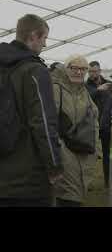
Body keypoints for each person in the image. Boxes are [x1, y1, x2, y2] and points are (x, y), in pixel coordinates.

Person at [0, 14, 63, 207]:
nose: (44, 45)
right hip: (27, 179)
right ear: (34, 36)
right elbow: (43, 122)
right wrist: (54, 166)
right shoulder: (34, 70)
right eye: (44, 38)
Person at [51, 55, 100, 207]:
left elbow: (93, 120)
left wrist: (96, 149)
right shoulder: (56, 89)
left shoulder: (83, 91)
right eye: (74, 68)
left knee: (74, 196)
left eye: (83, 69)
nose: (79, 72)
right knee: (68, 197)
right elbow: (48, 123)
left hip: (82, 153)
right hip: (64, 155)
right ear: (66, 69)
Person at [86, 61, 112, 188]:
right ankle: (87, 182)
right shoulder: (85, 85)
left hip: (107, 125)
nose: (93, 74)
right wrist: (98, 90)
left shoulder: (109, 84)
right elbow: (86, 97)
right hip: (92, 125)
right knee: (89, 154)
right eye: (90, 71)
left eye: (95, 71)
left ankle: (108, 181)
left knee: (108, 154)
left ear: (100, 71)